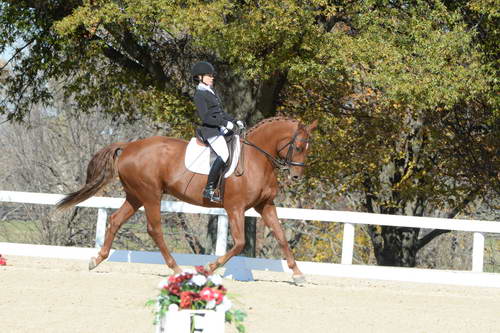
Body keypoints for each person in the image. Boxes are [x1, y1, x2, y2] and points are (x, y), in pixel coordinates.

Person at [191, 61, 244, 202]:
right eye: (209, 76)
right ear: (200, 77)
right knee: (224, 154)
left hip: (219, 128)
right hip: (210, 130)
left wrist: (234, 121)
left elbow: (219, 112)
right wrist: (224, 123)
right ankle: (208, 189)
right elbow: (206, 117)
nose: (212, 78)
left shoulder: (211, 91)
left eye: (211, 75)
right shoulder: (199, 94)